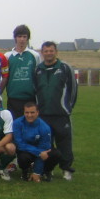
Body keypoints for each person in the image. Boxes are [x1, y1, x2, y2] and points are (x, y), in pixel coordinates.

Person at [34, 41, 77, 180]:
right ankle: (48, 168)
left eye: (51, 51)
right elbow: (35, 91)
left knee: (64, 142)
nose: (48, 53)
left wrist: (67, 108)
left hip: (61, 114)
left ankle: (66, 169)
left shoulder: (65, 68)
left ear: (56, 52)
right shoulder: (38, 69)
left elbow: (73, 90)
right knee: (46, 144)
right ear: (42, 53)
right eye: (46, 51)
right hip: (43, 114)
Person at [13, 102, 61, 182]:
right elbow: (20, 144)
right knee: (23, 157)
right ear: (23, 112)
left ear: (37, 112)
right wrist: (38, 152)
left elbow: (43, 151)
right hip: (26, 151)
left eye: (32, 112)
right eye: (27, 112)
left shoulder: (45, 128)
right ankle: (26, 171)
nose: (29, 115)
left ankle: (46, 171)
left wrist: (37, 172)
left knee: (56, 154)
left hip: (41, 150)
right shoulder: (17, 123)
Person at [5, 24, 42, 120]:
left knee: (30, 126)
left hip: (30, 99)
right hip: (13, 98)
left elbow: (38, 76)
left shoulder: (34, 55)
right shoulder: (7, 56)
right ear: (15, 38)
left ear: (28, 38)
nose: (22, 39)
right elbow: (4, 77)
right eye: (19, 36)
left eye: (24, 37)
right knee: (15, 128)